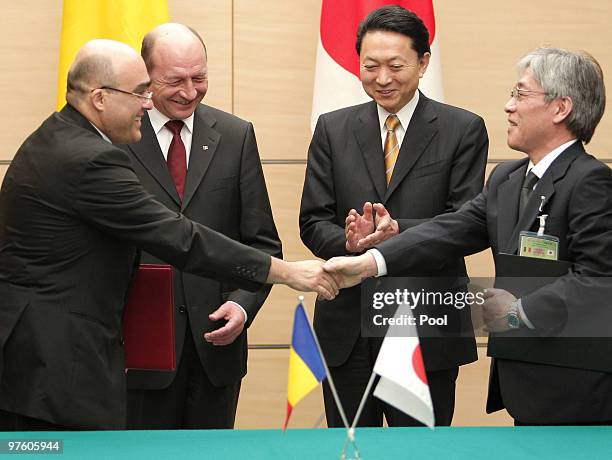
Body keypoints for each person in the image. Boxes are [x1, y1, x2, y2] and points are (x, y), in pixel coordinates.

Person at [0, 39, 338, 431]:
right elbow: (179, 236)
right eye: (141, 92)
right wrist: (287, 273)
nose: (148, 103)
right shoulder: (89, 159)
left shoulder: (59, 135)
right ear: (99, 99)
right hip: (54, 365)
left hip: (48, 358)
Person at [324, 47, 612, 425]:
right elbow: (450, 231)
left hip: (576, 385)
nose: (509, 107)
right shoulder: (508, 179)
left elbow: (599, 279)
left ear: (560, 108)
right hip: (525, 381)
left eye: (521, 95)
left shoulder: (590, 181)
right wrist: (368, 262)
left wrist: (519, 312)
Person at [299, 5, 488, 427]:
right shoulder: (332, 128)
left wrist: (396, 234)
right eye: (370, 66)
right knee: (350, 450)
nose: (382, 79)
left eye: (395, 66)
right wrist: (349, 244)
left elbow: (468, 224)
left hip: (424, 322)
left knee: (421, 454)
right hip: (347, 326)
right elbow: (313, 221)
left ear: (423, 62)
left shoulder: (462, 129)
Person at [121, 23, 282, 430]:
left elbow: (262, 243)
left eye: (199, 78)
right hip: (138, 350)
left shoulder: (235, 135)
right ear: (146, 75)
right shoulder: (117, 138)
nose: (190, 92)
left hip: (216, 350)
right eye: (174, 80)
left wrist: (243, 306)